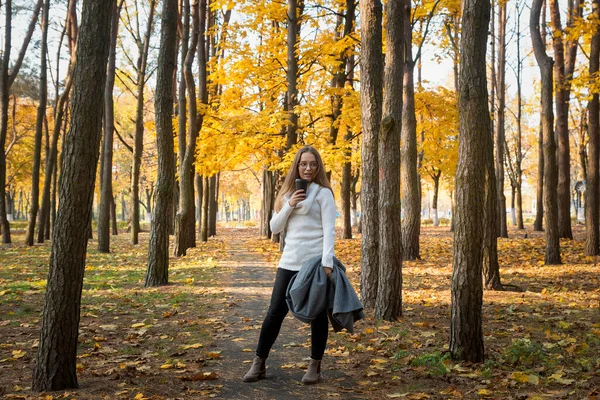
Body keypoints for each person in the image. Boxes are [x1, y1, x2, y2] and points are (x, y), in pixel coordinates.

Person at [243, 146, 336, 385]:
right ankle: (259, 362)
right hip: (289, 262)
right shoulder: (286, 195)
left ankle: (314, 366)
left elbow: (329, 231)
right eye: (303, 164)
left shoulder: (323, 194)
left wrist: (327, 264)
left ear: (318, 167)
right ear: (296, 166)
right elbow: (275, 228)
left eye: (313, 164)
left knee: (317, 315)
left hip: (314, 265)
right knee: (274, 312)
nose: (308, 168)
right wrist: (290, 204)